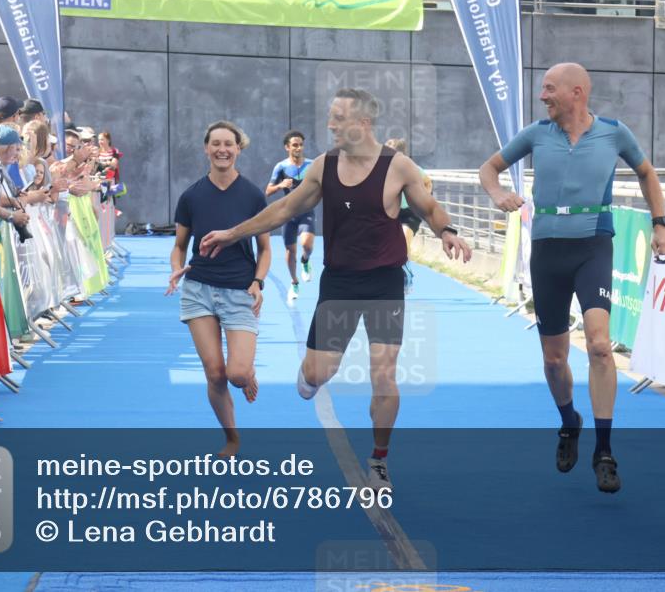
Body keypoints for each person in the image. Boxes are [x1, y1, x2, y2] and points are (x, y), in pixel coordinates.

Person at [200, 89, 472, 489]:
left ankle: (379, 460)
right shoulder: (324, 166)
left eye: (338, 117)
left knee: (384, 374)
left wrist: (447, 231)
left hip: (384, 282)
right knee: (318, 373)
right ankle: (312, 372)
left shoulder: (398, 167)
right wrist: (231, 233)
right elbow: (284, 209)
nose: (329, 124)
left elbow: (429, 208)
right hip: (340, 282)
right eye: (330, 116)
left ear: (363, 123)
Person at [478, 62, 665, 494]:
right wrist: (498, 194)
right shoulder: (534, 134)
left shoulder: (613, 132)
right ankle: (570, 423)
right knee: (554, 358)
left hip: (593, 244)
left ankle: (604, 451)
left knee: (601, 345)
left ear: (577, 92)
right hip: (547, 249)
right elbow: (488, 169)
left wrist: (661, 222)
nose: (543, 96)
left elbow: (647, 173)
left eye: (549, 89)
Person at [164, 120, 270, 458]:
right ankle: (232, 438)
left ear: (239, 149)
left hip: (240, 290)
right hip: (199, 289)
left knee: (236, 374)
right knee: (214, 372)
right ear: (206, 148)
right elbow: (179, 246)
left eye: (229, 144)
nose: (222, 149)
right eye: (216, 144)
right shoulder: (191, 196)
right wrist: (175, 269)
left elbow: (265, 249)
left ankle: (246, 371)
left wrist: (258, 282)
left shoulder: (253, 194)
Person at [265, 130, 315, 303]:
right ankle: (294, 282)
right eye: (295, 145)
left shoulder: (312, 165)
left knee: (307, 245)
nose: (298, 148)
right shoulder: (281, 167)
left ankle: (305, 260)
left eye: (301, 144)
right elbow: (268, 191)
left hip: (306, 212)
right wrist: (280, 185)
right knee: (290, 251)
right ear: (287, 147)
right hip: (288, 214)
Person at [385, 138, 433, 293]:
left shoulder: (412, 168)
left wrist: (423, 197)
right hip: (391, 212)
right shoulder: (381, 170)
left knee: (404, 240)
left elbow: (427, 181)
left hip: (410, 211)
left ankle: (407, 274)